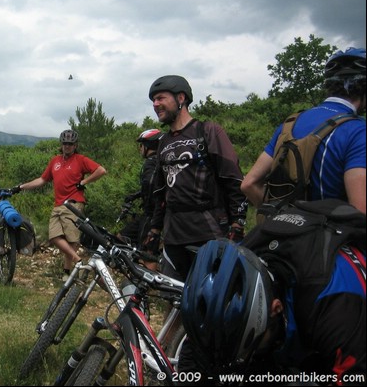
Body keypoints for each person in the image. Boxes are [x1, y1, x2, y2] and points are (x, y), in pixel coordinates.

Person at [180, 208, 366, 385]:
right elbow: (195, 358)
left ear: (276, 308)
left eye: (253, 345)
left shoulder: (336, 308)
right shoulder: (243, 257)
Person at [241, 47, 366, 214]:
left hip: (283, 236)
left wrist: (277, 217)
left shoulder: (290, 124)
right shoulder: (358, 131)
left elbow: (248, 184)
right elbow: (360, 211)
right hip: (331, 238)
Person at [147, 75, 248, 282]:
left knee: (208, 304)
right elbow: (161, 193)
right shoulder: (163, 142)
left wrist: (237, 224)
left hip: (209, 234)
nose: (155, 105)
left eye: (160, 98)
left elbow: (234, 180)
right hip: (174, 236)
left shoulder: (208, 131)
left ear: (181, 98)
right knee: (172, 298)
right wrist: (154, 232)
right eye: (153, 101)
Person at [13, 129, 107, 280]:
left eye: (70, 144)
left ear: (75, 145)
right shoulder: (55, 161)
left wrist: (84, 182)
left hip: (74, 204)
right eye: (65, 143)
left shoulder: (80, 159)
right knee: (54, 237)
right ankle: (78, 262)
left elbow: (101, 170)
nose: (67, 146)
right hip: (58, 204)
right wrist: (21, 187)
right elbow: (42, 180)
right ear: (61, 144)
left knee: (72, 240)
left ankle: (67, 273)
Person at [117, 129, 163, 270]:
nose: (139, 148)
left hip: (152, 216)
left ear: (148, 146)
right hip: (153, 214)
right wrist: (137, 195)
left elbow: (151, 185)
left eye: (141, 145)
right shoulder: (159, 162)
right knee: (121, 236)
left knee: (148, 254)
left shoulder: (150, 163)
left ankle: (147, 287)